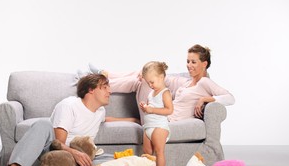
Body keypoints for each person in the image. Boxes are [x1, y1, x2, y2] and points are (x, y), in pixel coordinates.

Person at [0, 73, 138, 166]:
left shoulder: (100, 111)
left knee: (121, 163)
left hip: (78, 161)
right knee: (43, 124)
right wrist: (75, 153)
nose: (110, 91)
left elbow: (107, 119)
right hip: (53, 156)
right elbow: (57, 143)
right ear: (91, 90)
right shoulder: (69, 105)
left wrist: (134, 120)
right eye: (105, 87)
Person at [89, 44, 235, 123]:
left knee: (143, 80)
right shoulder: (185, 83)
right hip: (156, 113)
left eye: (193, 62)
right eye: (188, 61)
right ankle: (103, 77)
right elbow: (161, 77)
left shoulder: (205, 82)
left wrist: (205, 99)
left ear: (204, 64)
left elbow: (230, 98)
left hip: (164, 119)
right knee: (144, 75)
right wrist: (146, 73)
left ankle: (99, 83)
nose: (189, 65)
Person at [139, 61, 173, 166]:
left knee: (159, 152)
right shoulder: (151, 93)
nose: (150, 85)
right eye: (148, 83)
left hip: (159, 127)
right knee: (147, 153)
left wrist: (152, 109)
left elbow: (169, 110)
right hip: (148, 127)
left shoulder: (165, 93)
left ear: (161, 77)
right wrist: (146, 107)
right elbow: (151, 109)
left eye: (152, 82)